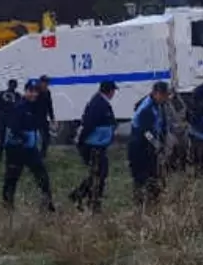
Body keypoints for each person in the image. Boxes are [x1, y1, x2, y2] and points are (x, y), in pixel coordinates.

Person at [0, 80, 55, 212]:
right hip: (16, 149)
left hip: (30, 148)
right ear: (25, 91)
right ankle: (8, 205)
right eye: (30, 91)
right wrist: (24, 137)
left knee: (42, 175)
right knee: (12, 178)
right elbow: (13, 126)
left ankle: (47, 203)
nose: (33, 94)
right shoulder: (19, 106)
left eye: (35, 91)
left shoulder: (35, 106)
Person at [71, 81, 118, 212]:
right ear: (109, 91)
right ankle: (92, 201)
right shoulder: (98, 104)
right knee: (99, 174)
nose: (114, 93)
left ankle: (82, 196)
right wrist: (81, 142)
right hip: (92, 146)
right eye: (113, 91)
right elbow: (88, 125)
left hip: (99, 145)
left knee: (98, 173)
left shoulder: (101, 102)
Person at [129, 81, 171, 207]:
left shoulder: (159, 105)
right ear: (156, 93)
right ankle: (140, 206)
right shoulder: (146, 108)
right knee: (142, 179)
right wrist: (157, 145)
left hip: (150, 148)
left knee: (155, 177)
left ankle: (153, 203)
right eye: (163, 95)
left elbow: (161, 126)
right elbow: (146, 132)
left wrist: (164, 142)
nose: (165, 98)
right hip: (139, 149)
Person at [0, 79, 20, 163]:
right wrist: (9, 108)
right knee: (5, 139)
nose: (12, 86)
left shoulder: (16, 95)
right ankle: (1, 157)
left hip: (8, 119)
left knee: (8, 138)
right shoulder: (6, 94)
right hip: (6, 119)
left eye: (13, 85)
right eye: (12, 85)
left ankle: (4, 157)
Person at [33, 75, 56, 161]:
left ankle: (43, 154)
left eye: (47, 83)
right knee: (35, 137)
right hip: (34, 117)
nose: (46, 84)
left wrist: (52, 117)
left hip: (43, 118)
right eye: (45, 82)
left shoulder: (47, 92)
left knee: (46, 137)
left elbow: (49, 105)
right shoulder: (35, 91)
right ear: (41, 82)